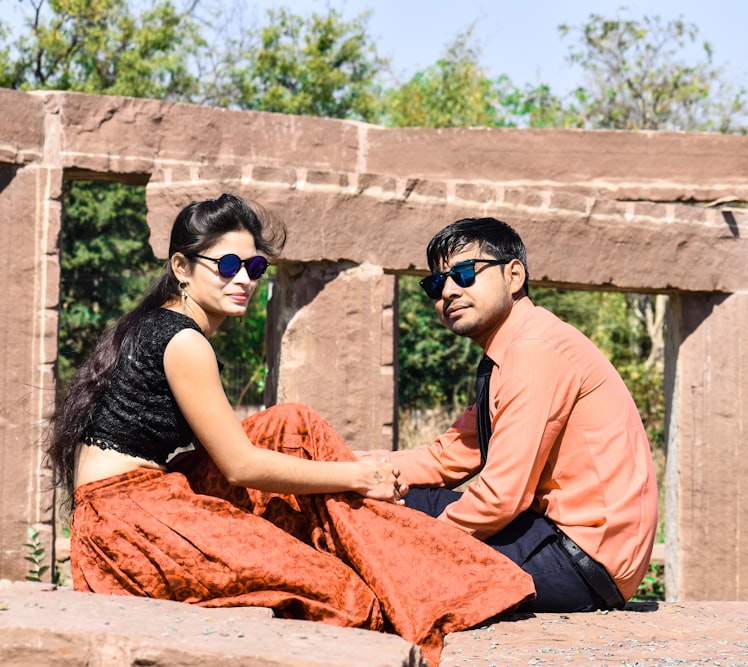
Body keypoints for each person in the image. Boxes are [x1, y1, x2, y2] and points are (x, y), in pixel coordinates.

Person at [46, 195, 533, 666]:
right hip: (134, 524)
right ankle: (419, 573)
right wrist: (359, 476)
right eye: (228, 265)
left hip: (135, 505)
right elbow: (240, 466)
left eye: (254, 269)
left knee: (291, 423)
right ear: (180, 267)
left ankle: (404, 565)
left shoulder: (157, 325)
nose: (244, 279)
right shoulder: (182, 340)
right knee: (344, 595)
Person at [364, 217, 658, 612]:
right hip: (567, 548)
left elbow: (502, 497)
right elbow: (447, 457)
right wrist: (349, 467)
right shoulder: (511, 350)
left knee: (385, 518)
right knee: (386, 495)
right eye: (436, 284)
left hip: (579, 561)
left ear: (514, 275)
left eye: (465, 274)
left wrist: (427, 545)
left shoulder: (535, 349)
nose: (449, 291)